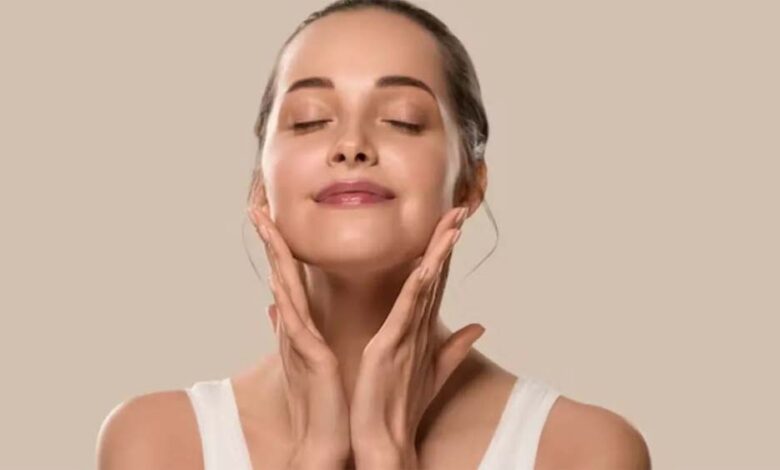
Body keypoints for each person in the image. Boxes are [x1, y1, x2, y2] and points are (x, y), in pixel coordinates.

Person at [96, 1, 651, 469]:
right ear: (260, 186)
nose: (351, 146)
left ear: (469, 184)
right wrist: (316, 454)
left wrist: (387, 453)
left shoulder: (582, 451)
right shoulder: (158, 444)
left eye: (403, 119)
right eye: (310, 119)